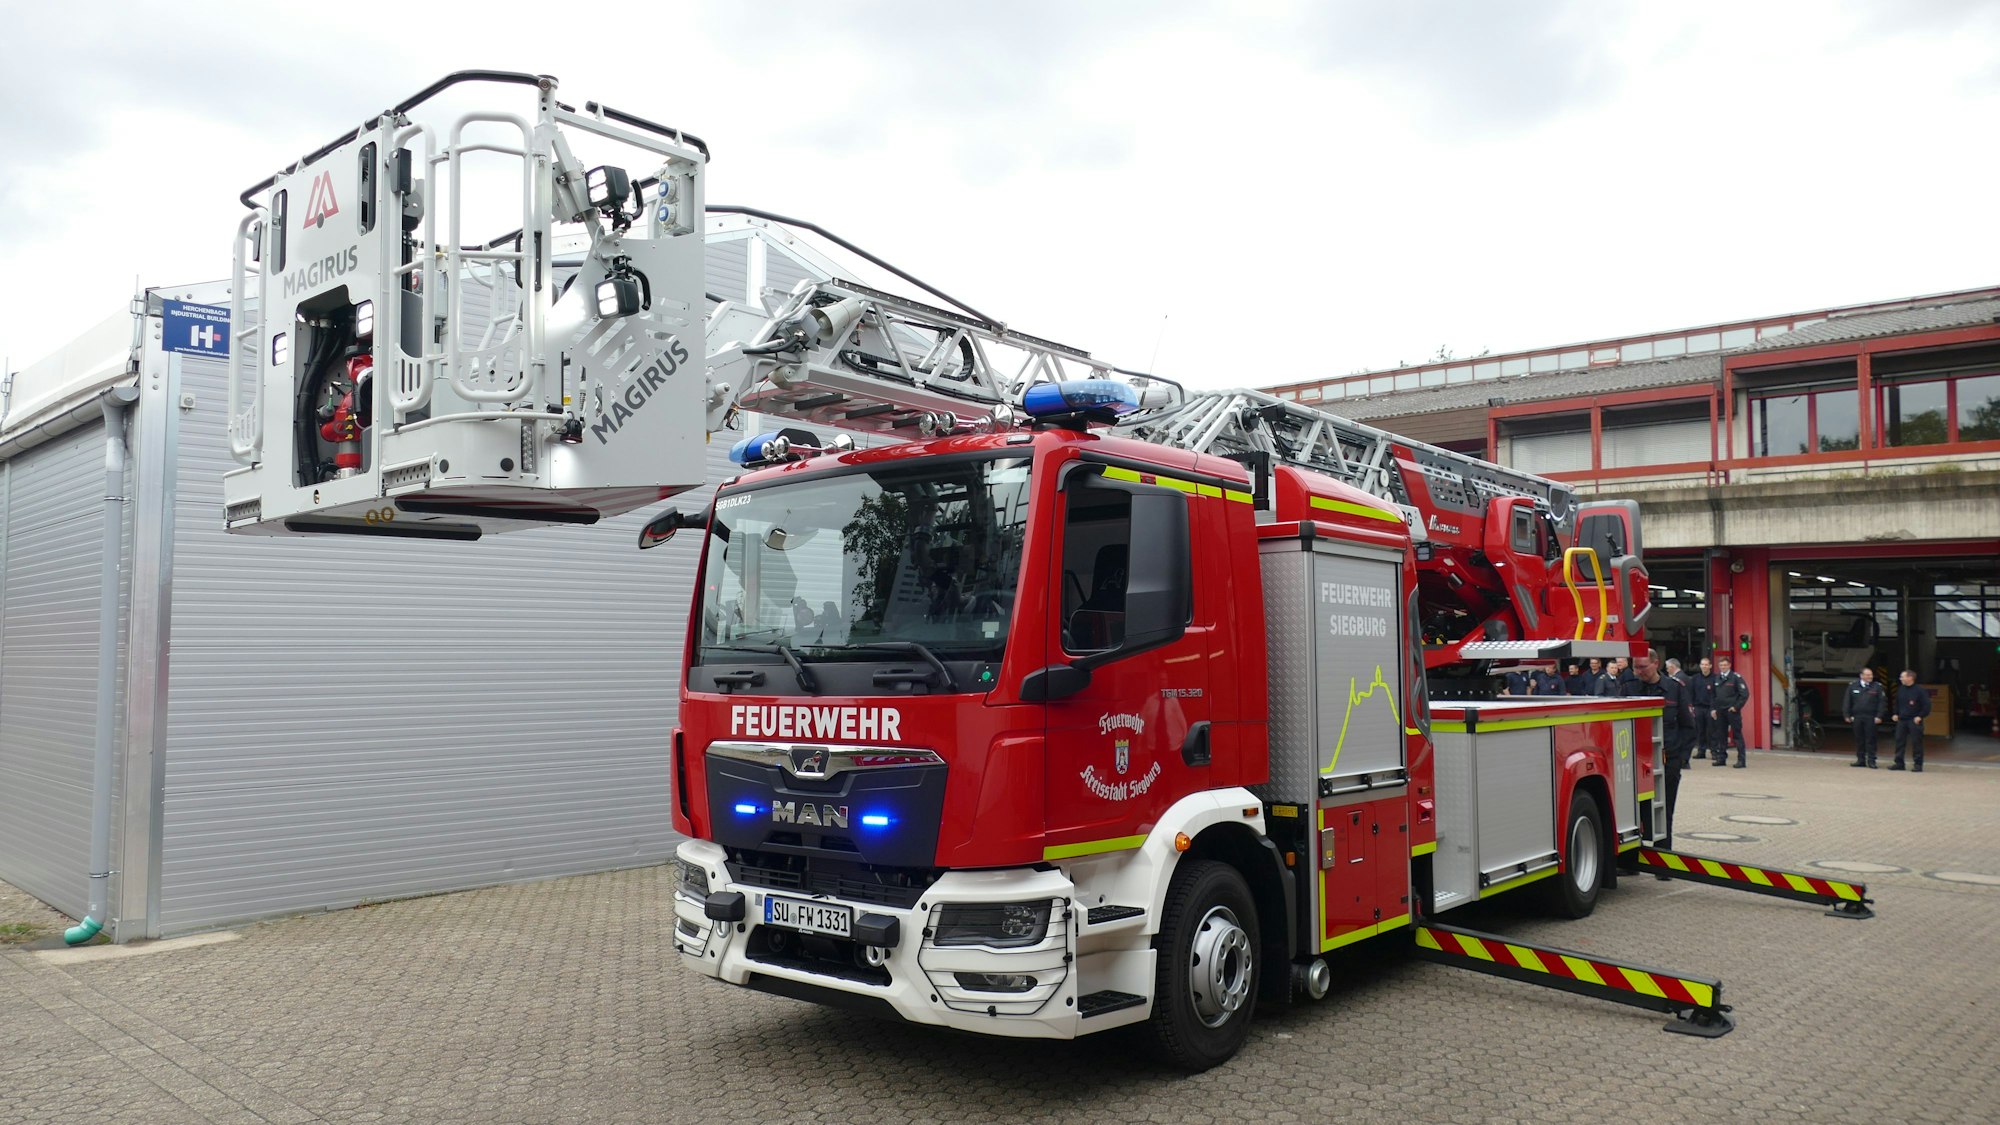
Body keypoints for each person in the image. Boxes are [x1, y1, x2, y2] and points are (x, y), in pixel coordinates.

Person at [1625, 648, 1693, 856]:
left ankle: (1663, 859)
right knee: (1633, 810)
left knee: (1664, 811)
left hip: (1667, 760)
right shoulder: (1629, 687)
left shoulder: (1675, 689)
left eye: (1643, 667)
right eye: (1635, 667)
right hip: (1635, 761)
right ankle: (1632, 858)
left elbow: (1688, 726)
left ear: (1656, 663)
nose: (1638, 672)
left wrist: (1680, 759)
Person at [1842, 667, 1887, 768]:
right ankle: (1860, 760)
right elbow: (1847, 701)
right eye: (1867, 675)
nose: (1870, 677)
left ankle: (1871, 760)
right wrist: (1846, 714)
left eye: (1871, 675)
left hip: (1871, 717)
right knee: (1859, 739)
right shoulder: (1853, 686)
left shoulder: (1877, 687)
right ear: (1861, 676)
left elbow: (1881, 703)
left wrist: (1879, 716)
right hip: (1857, 717)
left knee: (1871, 739)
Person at [1711, 656, 1748, 768]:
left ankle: (1741, 760)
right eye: (1721, 665)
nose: (1723, 667)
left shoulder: (1736, 678)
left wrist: (1736, 707)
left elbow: (1744, 694)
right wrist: (1713, 709)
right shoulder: (1717, 678)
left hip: (1732, 711)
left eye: (1725, 665)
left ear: (1729, 665)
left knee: (1737, 735)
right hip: (1720, 711)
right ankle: (1721, 758)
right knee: (1721, 735)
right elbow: (1713, 695)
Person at [1891, 670, 1931, 772]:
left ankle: (1918, 764)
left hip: (1914, 720)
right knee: (1899, 741)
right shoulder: (1901, 689)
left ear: (1910, 678)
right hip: (1902, 720)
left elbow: (1927, 706)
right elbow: (1897, 703)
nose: (1900, 679)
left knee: (1916, 743)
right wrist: (1895, 713)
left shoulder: (1920, 691)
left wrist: (1920, 716)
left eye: (1902, 677)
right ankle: (1899, 763)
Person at [1688, 656, 1717, 761]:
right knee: (1700, 731)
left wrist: (1715, 708)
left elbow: (1716, 695)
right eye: (1702, 664)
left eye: (1706, 664)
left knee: (1711, 731)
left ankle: (1714, 752)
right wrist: (1691, 707)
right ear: (1700, 666)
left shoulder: (1715, 678)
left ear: (1710, 666)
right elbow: (1690, 693)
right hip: (1698, 708)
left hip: (1710, 708)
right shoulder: (1694, 679)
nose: (1704, 666)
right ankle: (1701, 751)